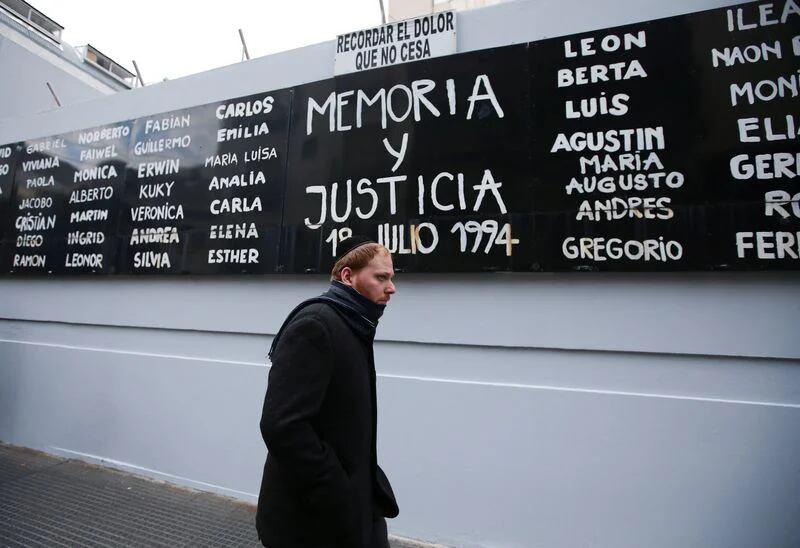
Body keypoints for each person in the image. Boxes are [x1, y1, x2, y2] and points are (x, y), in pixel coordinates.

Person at [256, 237, 400, 548]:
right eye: (381, 277)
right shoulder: (317, 325)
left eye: (391, 277)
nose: (392, 288)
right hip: (313, 519)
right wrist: (337, 488)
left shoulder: (353, 323)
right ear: (348, 276)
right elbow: (283, 426)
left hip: (353, 507)